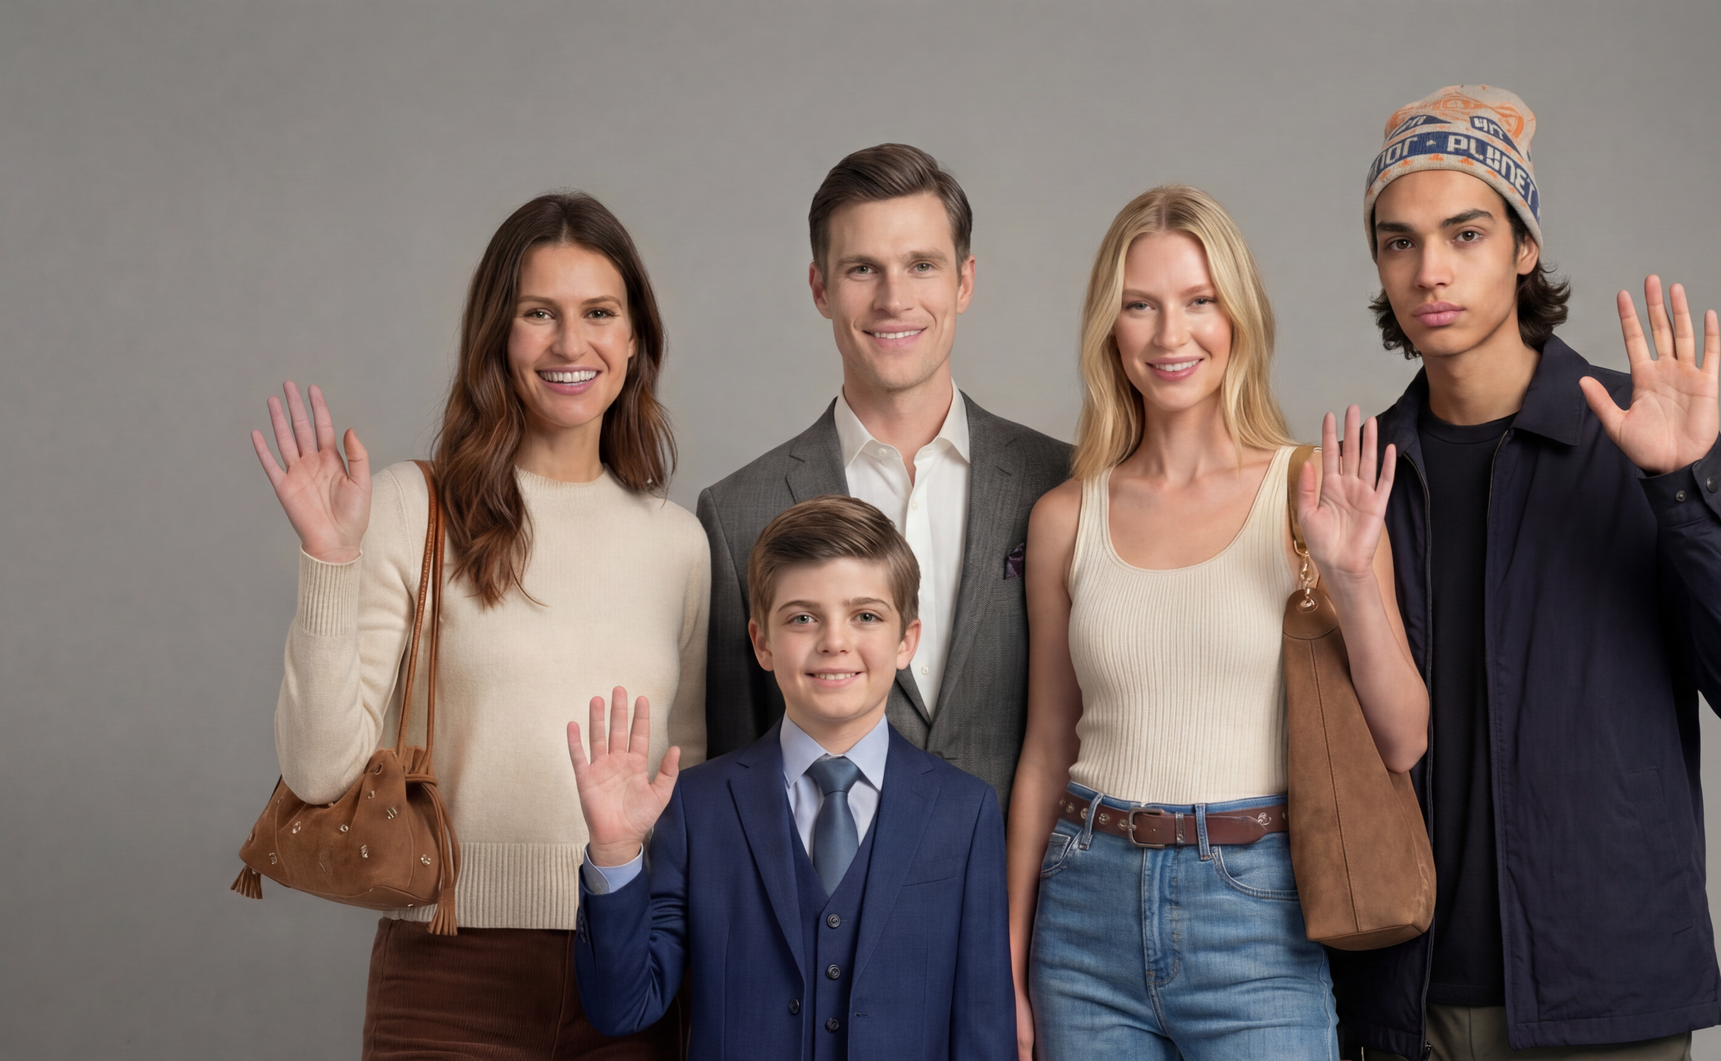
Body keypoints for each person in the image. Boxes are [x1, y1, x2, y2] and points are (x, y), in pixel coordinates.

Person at [1328, 86, 1721, 1061]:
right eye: (1398, 242)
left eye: (1466, 233)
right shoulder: (1360, 478)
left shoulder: (1637, 439)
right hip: (1397, 1004)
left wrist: (1687, 481)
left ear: (1524, 246)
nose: (1430, 270)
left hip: (1603, 1000)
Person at [249, 192, 707, 1060]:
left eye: (599, 313)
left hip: (630, 972)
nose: (571, 344)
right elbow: (318, 771)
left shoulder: (678, 543)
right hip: (450, 975)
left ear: (635, 337)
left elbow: (691, 792)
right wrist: (329, 562)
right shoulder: (410, 507)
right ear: (497, 335)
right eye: (539, 313)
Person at [1007, 185, 1431, 1061]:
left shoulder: (1311, 494)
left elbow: (1404, 739)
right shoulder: (1065, 517)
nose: (1172, 335)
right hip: (1083, 909)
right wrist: (1007, 966)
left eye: (1199, 301)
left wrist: (1352, 577)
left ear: (1238, 316)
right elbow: (1046, 748)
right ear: (1109, 328)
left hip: (1256, 910)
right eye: (1141, 305)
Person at [570, 495, 1015, 1061]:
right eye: (803, 618)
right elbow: (622, 1008)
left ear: (907, 640)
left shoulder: (964, 810)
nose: (834, 641)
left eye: (866, 616)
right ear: (762, 643)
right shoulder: (698, 806)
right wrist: (614, 853)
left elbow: (983, 1029)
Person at [697, 143, 1073, 803]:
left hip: (1021, 868)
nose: (894, 299)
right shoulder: (737, 512)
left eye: (921, 265)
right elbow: (736, 776)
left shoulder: (1062, 482)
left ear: (964, 282)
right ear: (820, 288)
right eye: (862, 269)